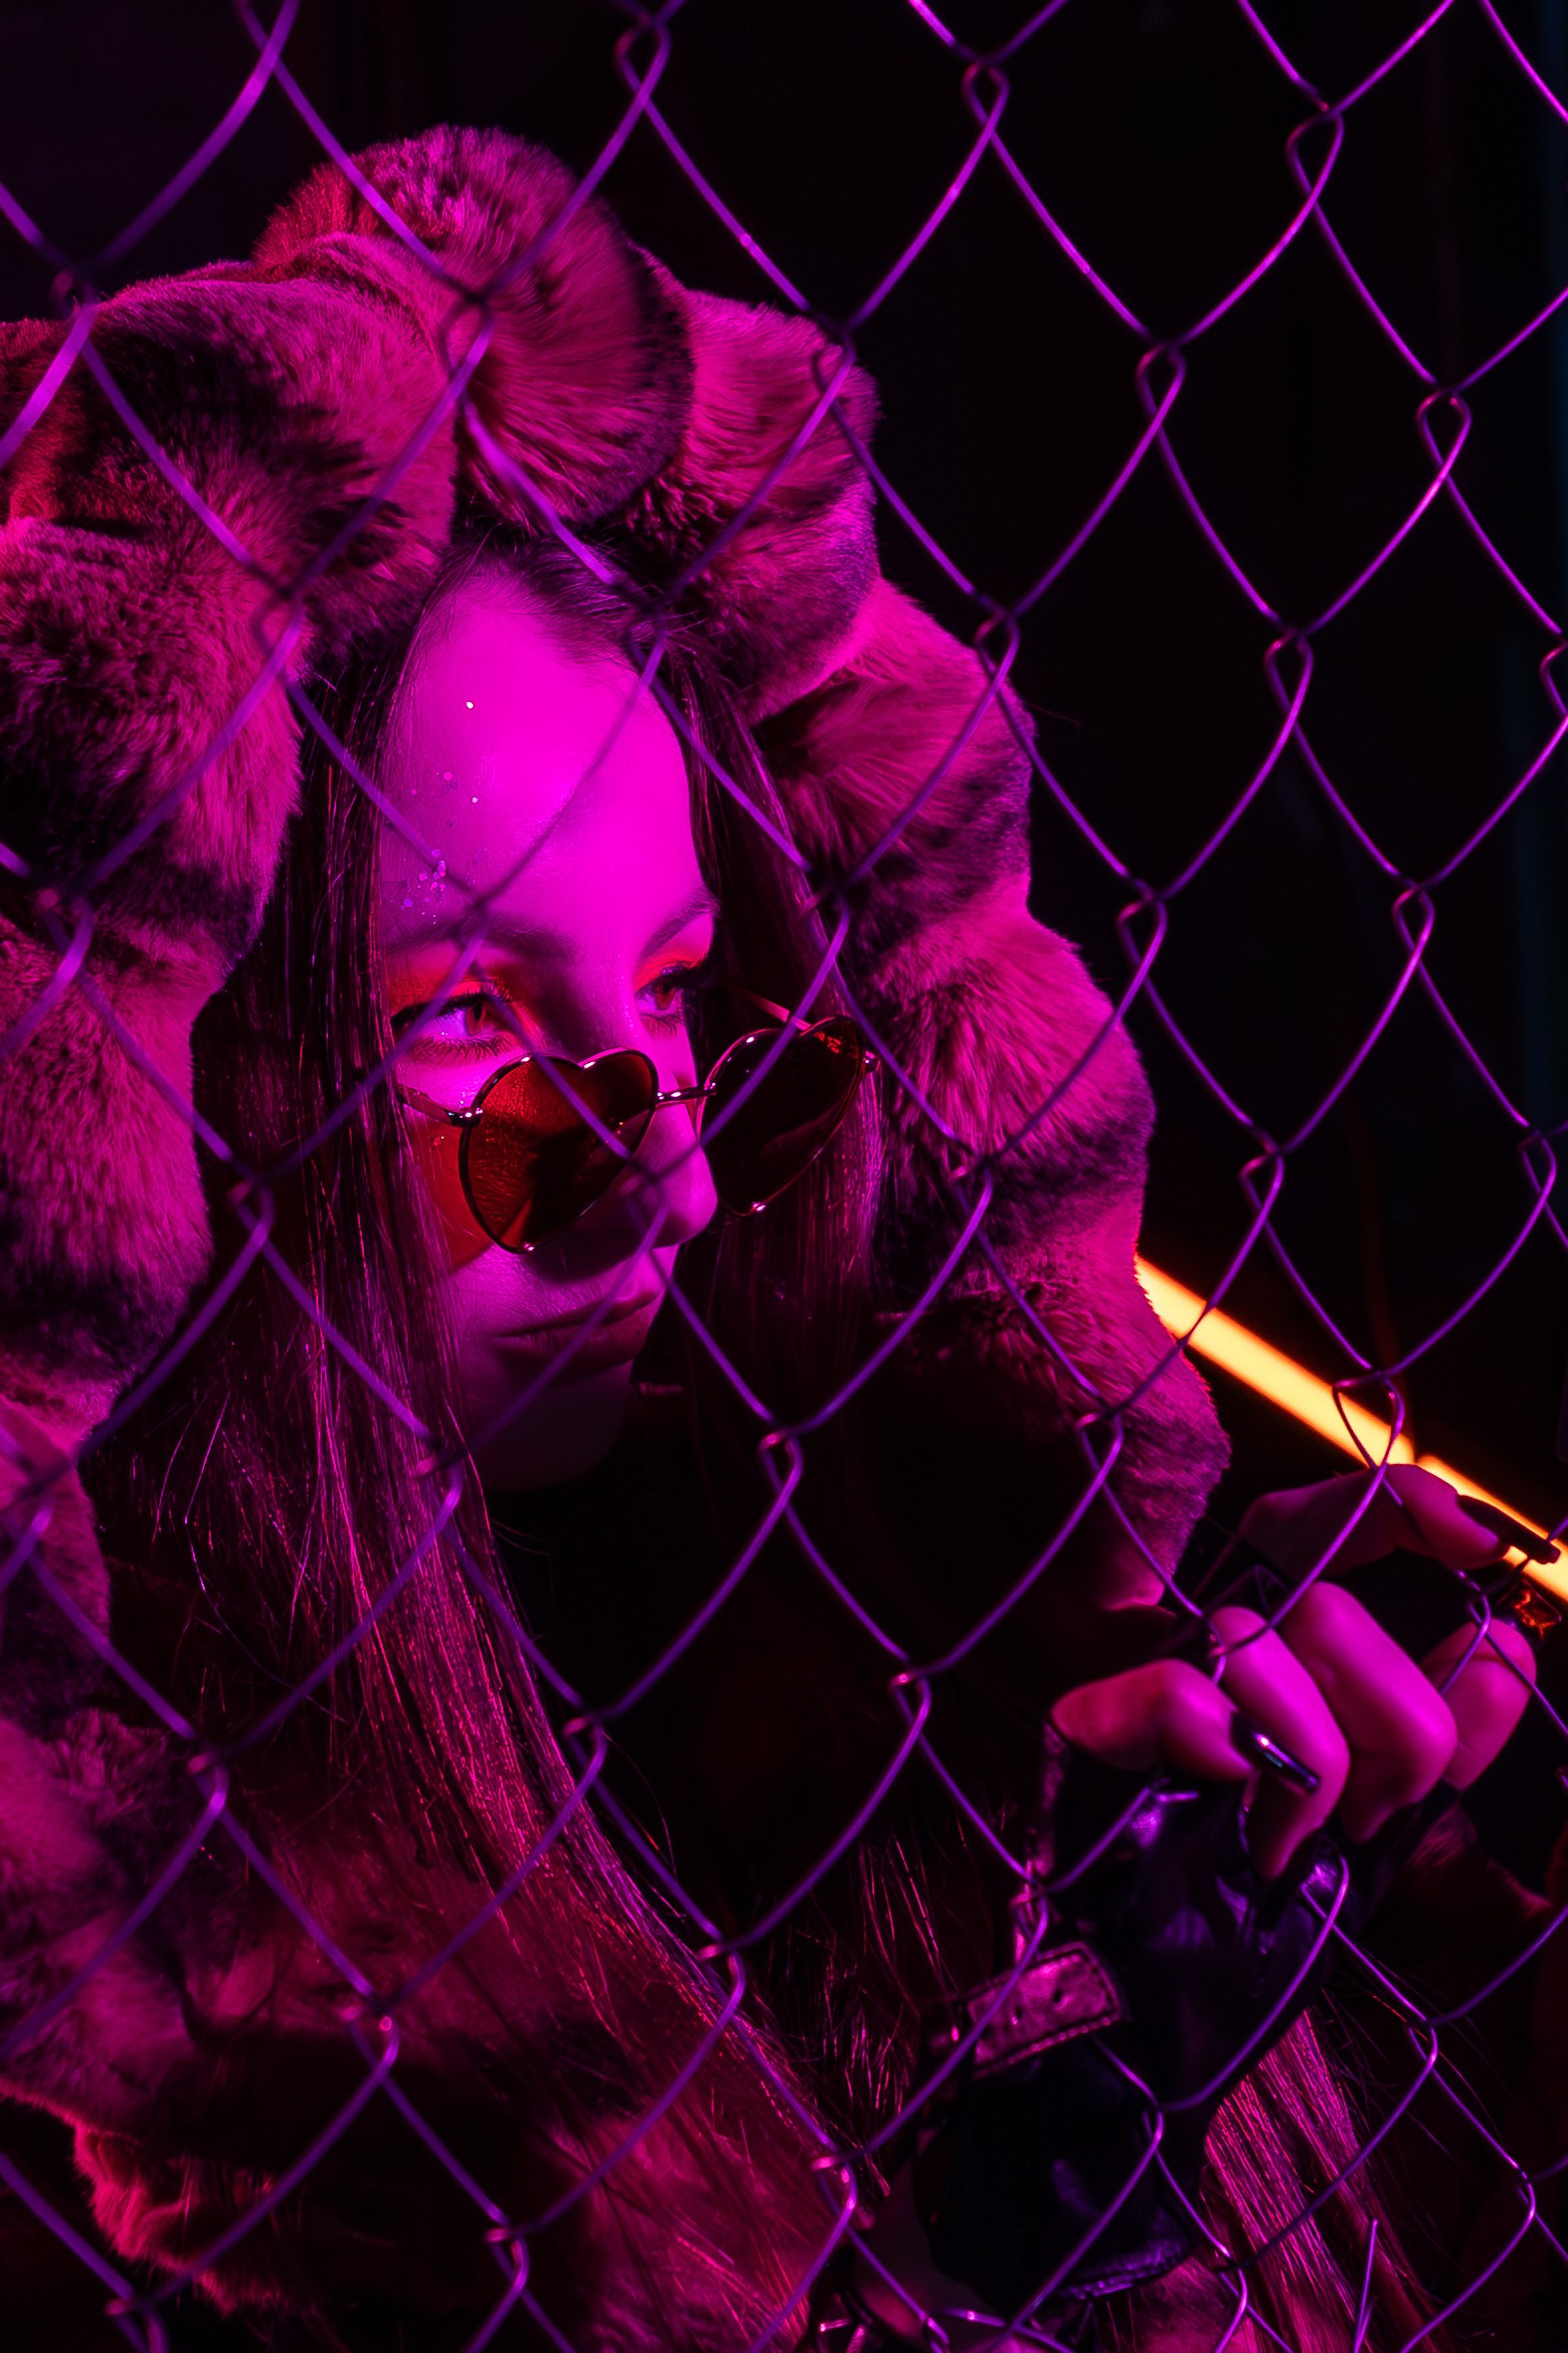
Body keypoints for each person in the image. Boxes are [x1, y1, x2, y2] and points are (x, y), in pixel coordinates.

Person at [0, 125, 1547, 2350]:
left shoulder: (806, 1694)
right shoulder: (119, 2044)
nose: (673, 1177)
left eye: (676, 999)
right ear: (170, 1072)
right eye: (460, 1018)